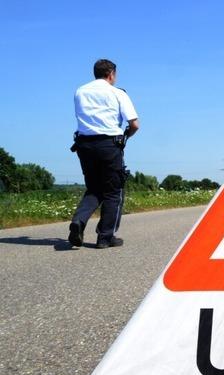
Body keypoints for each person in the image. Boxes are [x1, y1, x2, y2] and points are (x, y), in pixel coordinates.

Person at [68, 59, 139, 249]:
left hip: (84, 145)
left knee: (94, 189)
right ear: (111, 74)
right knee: (113, 191)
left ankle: (78, 222)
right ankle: (105, 237)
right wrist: (125, 136)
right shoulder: (117, 93)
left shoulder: (80, 91)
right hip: (109, 145)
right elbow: (134, 124)